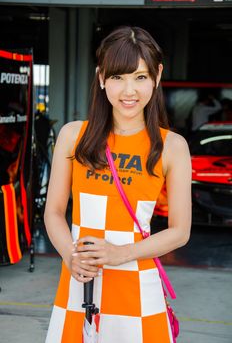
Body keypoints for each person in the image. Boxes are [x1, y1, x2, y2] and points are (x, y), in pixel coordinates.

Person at [44, 26, 192, 343]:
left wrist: (119, 254)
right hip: (79, 283)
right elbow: (54, 212)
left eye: (140, 77)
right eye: (117, 77)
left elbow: (180, 231)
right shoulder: (73, 136)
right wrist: (70, 255)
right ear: (101, 78)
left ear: (157, 76)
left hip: (140, 287)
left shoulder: (172, 146)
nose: (129, 90)